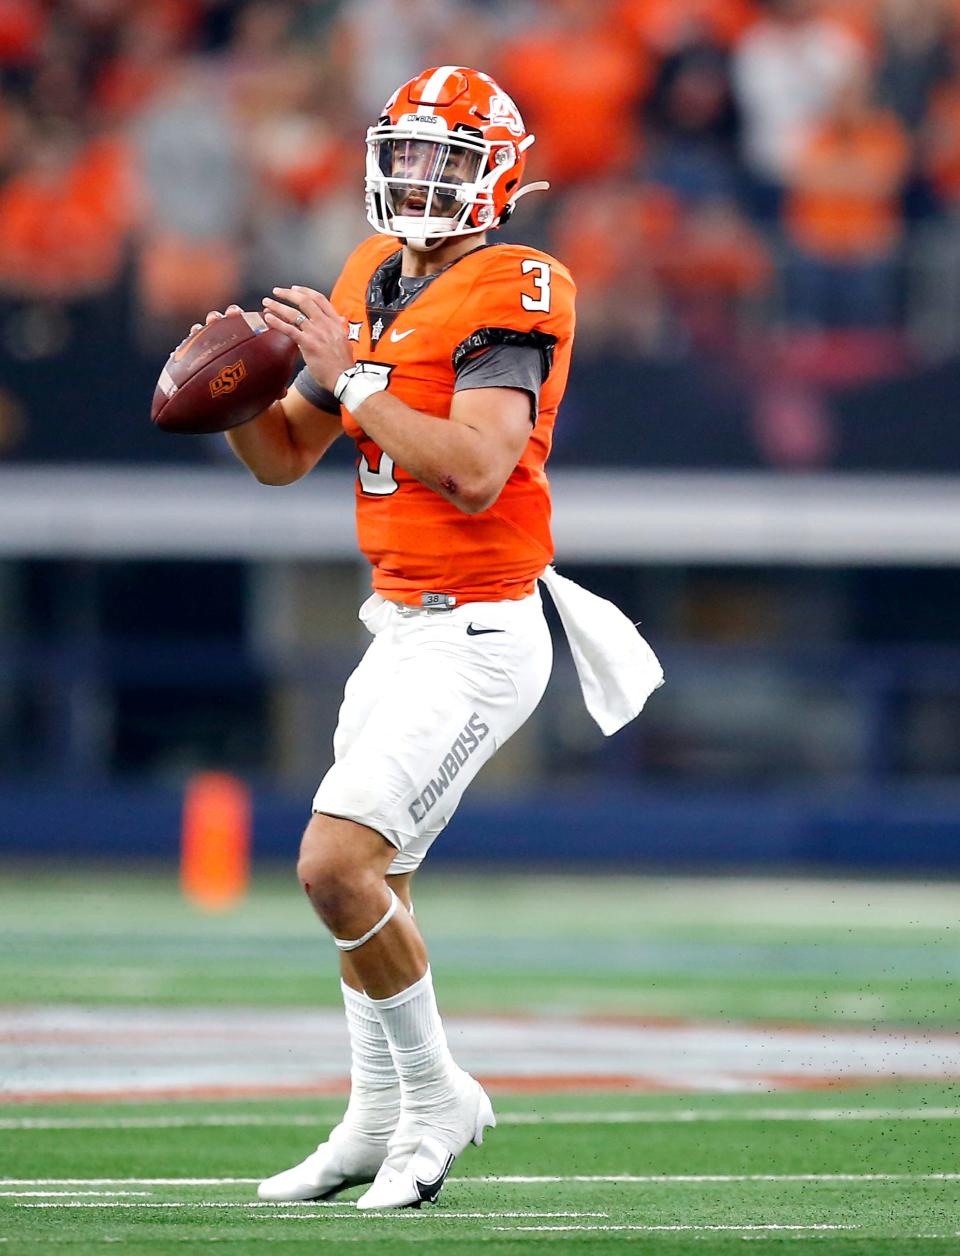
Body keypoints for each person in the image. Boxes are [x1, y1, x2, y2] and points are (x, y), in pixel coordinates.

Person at [191, 65, 662, 1211]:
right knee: (378, 882)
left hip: (484, 629)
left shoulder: (520, 282)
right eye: (407, 155)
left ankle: (437, 1094)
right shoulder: (372, 273)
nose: (421, 181)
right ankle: (372, 1112)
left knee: (333, 864)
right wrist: (235, 390)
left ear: (500, 176)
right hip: (395, 622)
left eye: (449, 161)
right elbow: (283, 458)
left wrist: (350, 369)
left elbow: (473, 467)